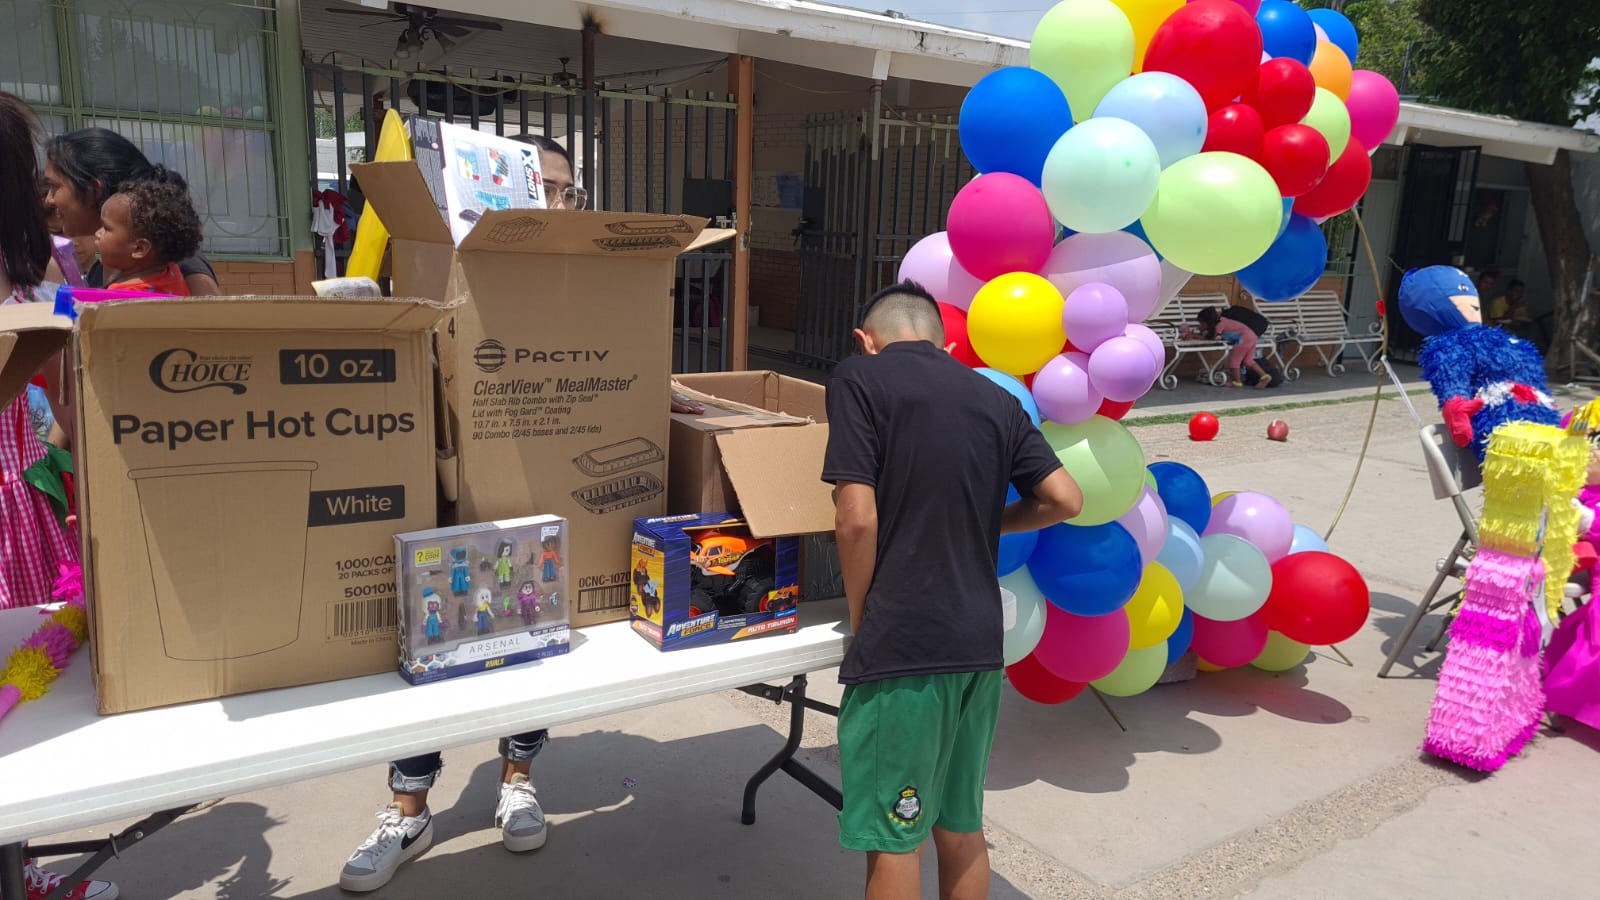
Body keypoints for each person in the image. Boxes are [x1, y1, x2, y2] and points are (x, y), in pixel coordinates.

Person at [340, 133, 610, 894]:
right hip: (448, 477)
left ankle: (517, 778)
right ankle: (410, 806)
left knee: (530, 626)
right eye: (538, 187)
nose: (552, 204)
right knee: (434, 639)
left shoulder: (582, 274)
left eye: (563, 191)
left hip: (542, 476)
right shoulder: (442, 260)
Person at [823, 281, 1082, 900]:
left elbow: (856, 519)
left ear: (867, 340)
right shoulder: (994, 397)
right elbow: (1065, 499)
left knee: (895, 834)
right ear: (944, 341)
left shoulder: (860, 378)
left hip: (906, 646)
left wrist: (865, 617)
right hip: (978, 642)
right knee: (959, 826)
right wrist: (985, 520)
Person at [0, 91, 118, 900]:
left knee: (23, 706)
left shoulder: (38, 269)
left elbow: (64, 384)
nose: (44, 195)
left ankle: (20, 864)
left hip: (21, 499)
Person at [42, 128, 221, 296]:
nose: (49, 199)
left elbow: (215, 325)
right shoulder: (101, 271)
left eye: (55, 186)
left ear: (93, 191)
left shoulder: (175, 262)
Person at [94, 172, 203, 295]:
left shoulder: (123, 295)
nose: (98, 233)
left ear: (139, 248)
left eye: (106, 228)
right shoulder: (172, 273)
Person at [1185, 305, 1274, 388]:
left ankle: (1237, 382)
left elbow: (1212, 338)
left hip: (1243, 339)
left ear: (1207, 322)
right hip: (1252, 336)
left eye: (1201, 323)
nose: (1200, 326)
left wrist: (1194, 336)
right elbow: (1210, 335)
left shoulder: (1220, 325)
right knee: (1248, 361)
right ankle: (1264, 376)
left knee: (1234, 360)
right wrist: (1199, 332)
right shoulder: (1223, 320)